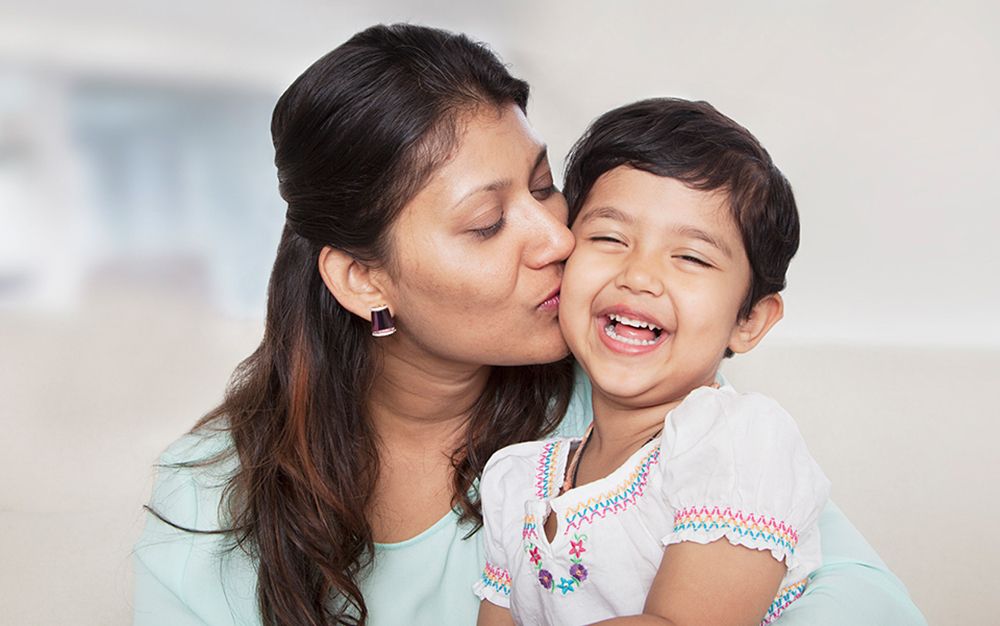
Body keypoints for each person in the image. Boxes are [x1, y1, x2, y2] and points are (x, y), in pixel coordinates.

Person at [133, 23, 926, 626]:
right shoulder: (211, 494)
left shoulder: (639, 405)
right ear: (364, 279)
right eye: (487, 224)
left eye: (546, 189)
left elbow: (860, 602)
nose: (558, 239)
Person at [475, 98, 829, 626]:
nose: (639, 275)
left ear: (749, 320)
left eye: (691, 257)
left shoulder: (738, 444)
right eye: (609, 238)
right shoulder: (517, 480)